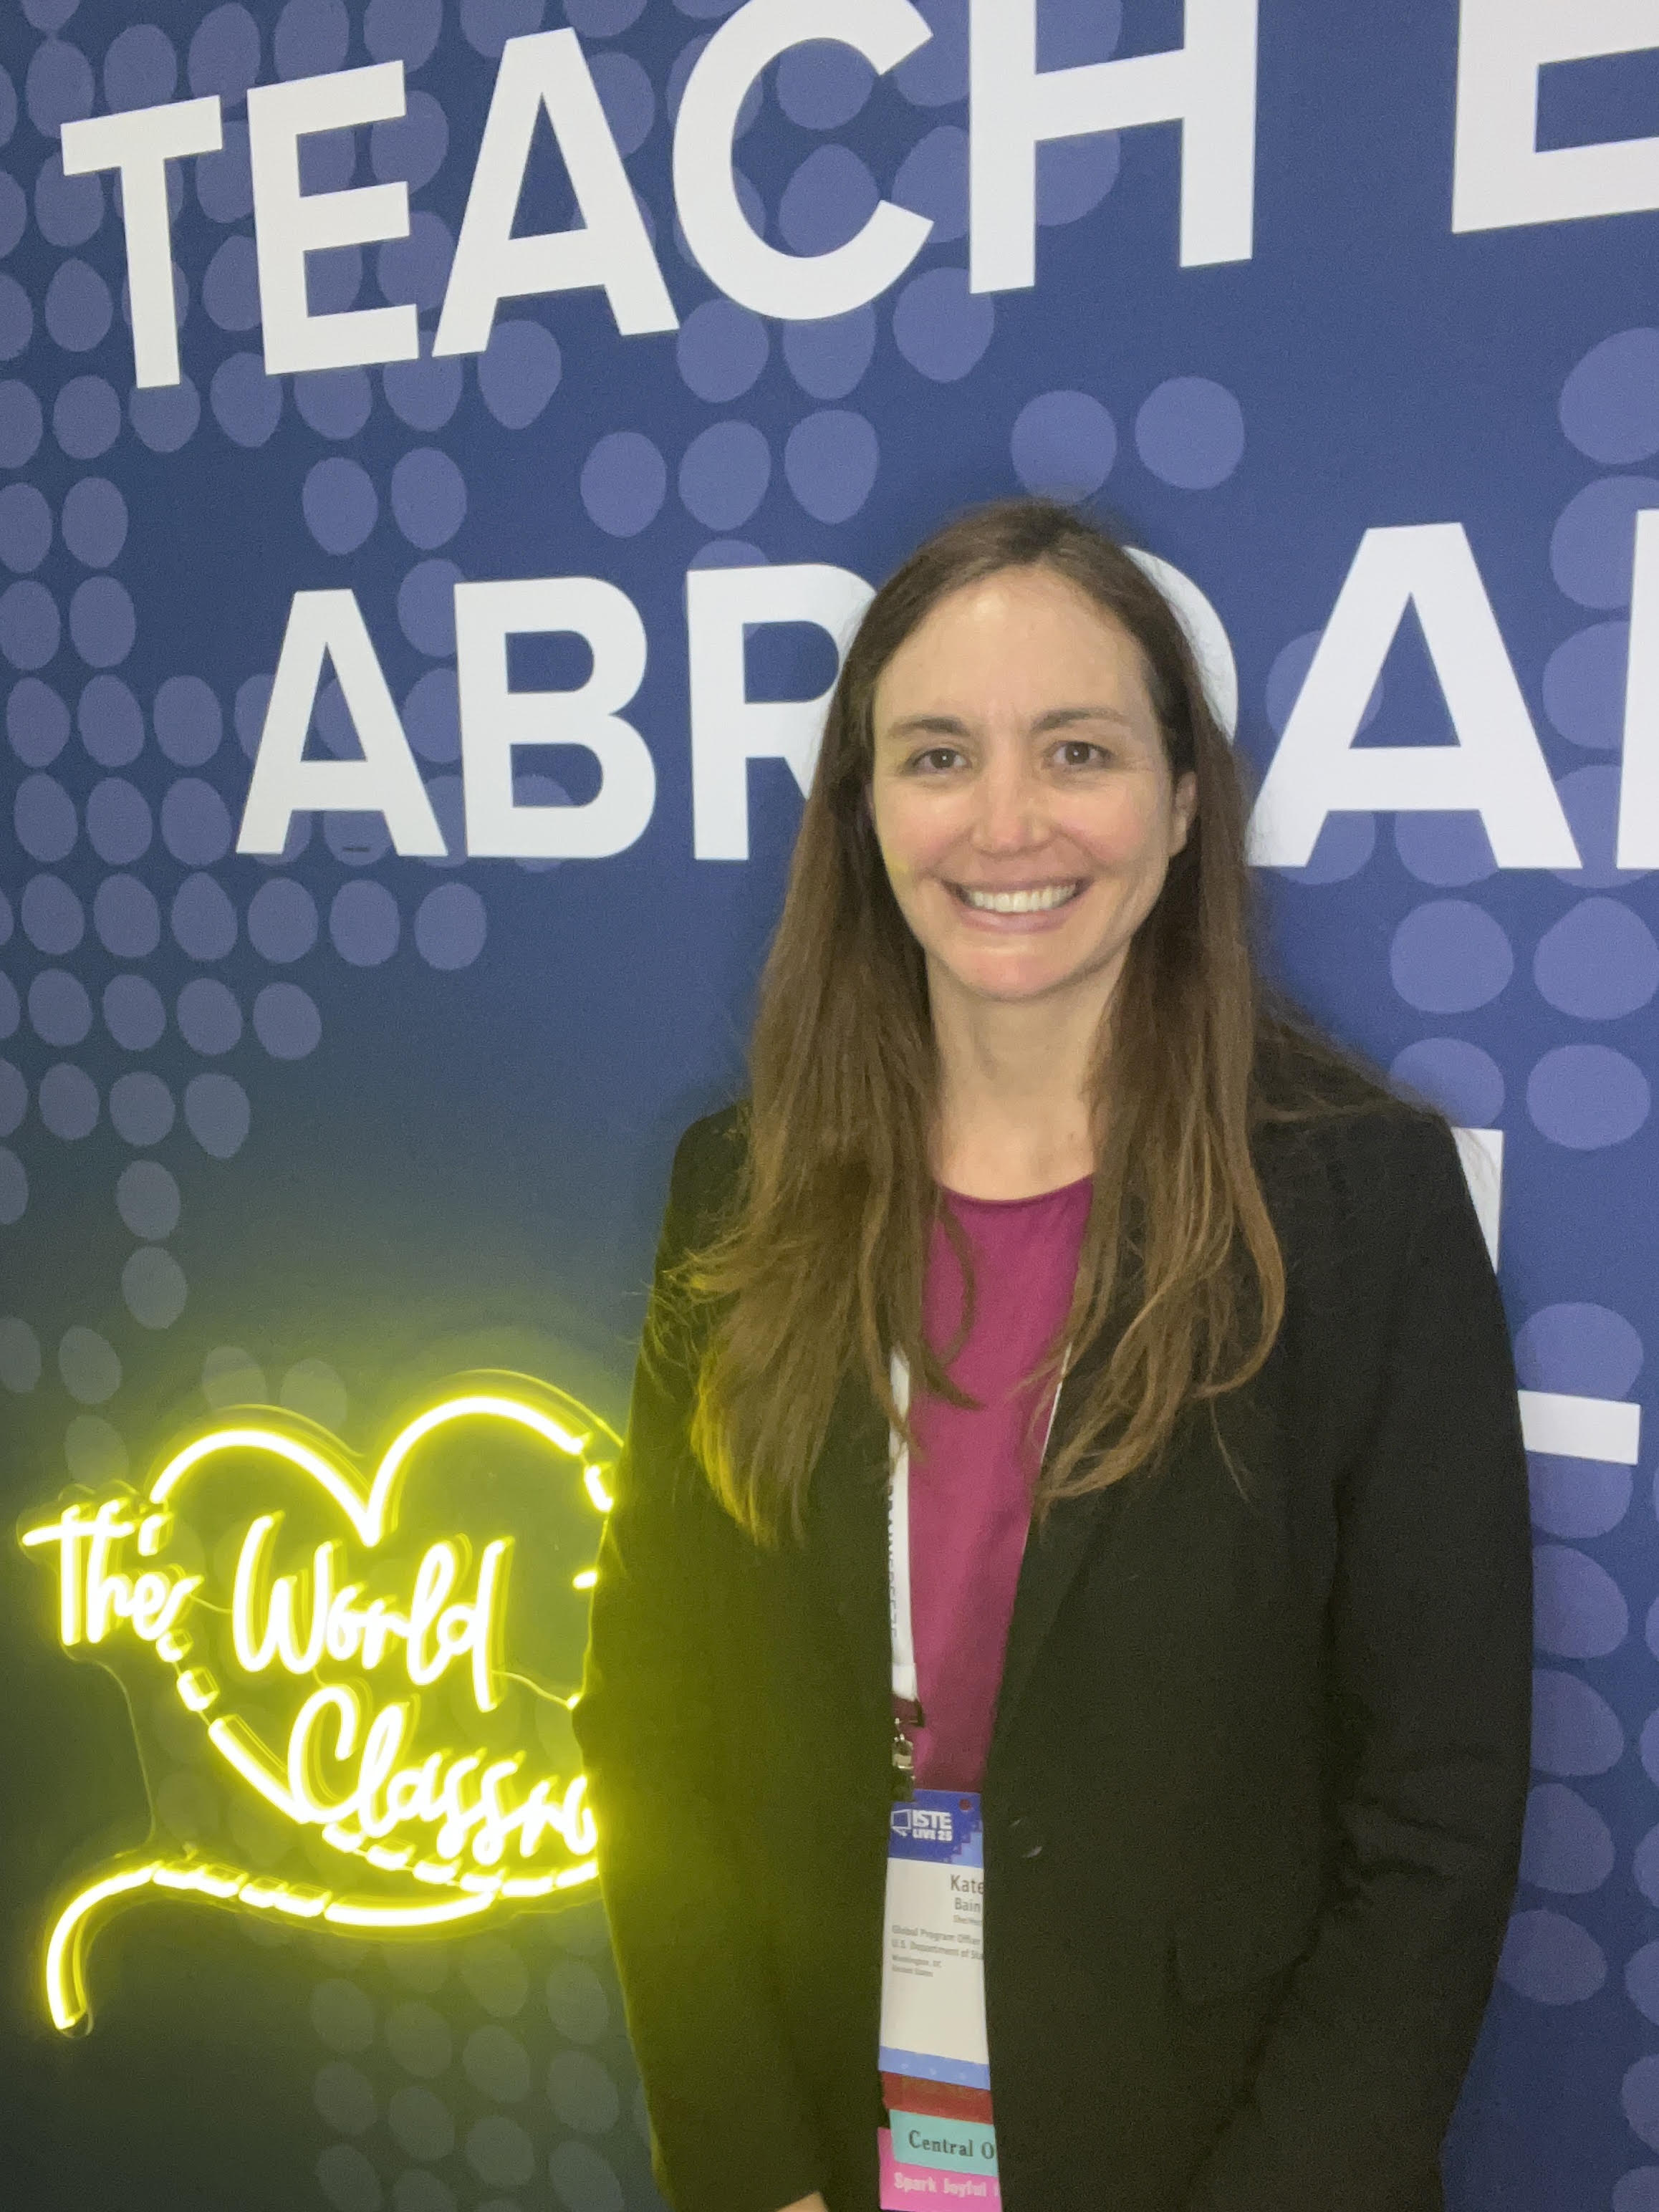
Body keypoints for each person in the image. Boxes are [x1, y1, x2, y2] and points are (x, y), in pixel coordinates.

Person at [572, 498, 1532, 2212]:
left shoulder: (1359, 1204)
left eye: (1077, 749)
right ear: (865, 810)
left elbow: (1435, 1817)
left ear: (1183, 804)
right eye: (938, 754)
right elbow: (650, 1711)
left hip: (1207, 2142)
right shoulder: (737, 1187)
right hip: (825, 2123)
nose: (1005, 820)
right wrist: (753, 2165)